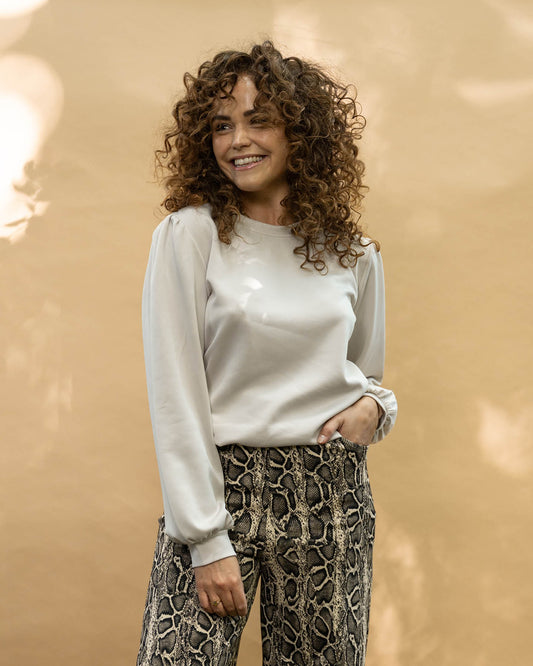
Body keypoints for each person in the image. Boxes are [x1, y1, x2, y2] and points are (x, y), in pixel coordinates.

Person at [136, 40, 397, 666]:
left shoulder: (353, 252)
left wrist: (377, 407)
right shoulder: (190, 235)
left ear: (300, 132)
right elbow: (175, 393)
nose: (238, 141)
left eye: (259, 120)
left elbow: (365, 374)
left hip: (330, 496)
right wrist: (205, 538)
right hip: (222, 488)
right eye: (222, 125)